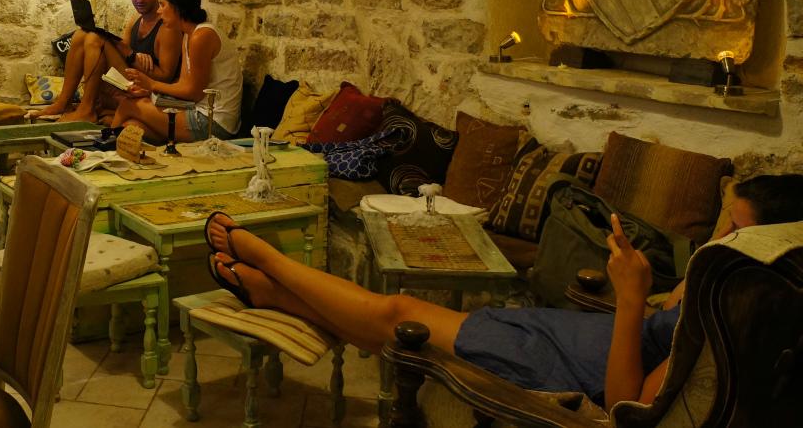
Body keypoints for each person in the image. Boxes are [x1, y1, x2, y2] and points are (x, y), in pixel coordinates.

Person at [204, 174, 803, 408]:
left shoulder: (725, 325)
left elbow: (628, 406)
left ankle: (268, 259)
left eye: (731, 227)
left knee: (399, 315)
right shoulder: (729, 284)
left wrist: (628, 299)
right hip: (575, 334)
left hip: (568, 364)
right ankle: (276, 295)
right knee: (395, 317)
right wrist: (661, 287)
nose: (718, 236)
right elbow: (665, 316)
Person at [39, 0, 181, 123]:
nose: (139, 0)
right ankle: (63, 103)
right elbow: (123, 54)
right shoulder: (135, 19)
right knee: (81, 34)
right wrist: (134, 56)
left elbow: (166, 78)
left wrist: (133, 56)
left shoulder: (166, 27)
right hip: (128, 78)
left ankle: (87, 110)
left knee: (95, 39)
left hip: (146, 89)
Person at [113, 0, 241, 141]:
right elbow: (183, 84)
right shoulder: (188, 35)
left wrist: (152, 84)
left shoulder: (202, 36)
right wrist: (150, 91)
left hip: (214, 121)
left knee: (129, 105)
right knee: (131, 126)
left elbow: (194, 93)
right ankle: (113, 147)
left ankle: (104, 148)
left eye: (162, 5)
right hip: (195, 109)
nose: (158, 11)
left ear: (177, 7)